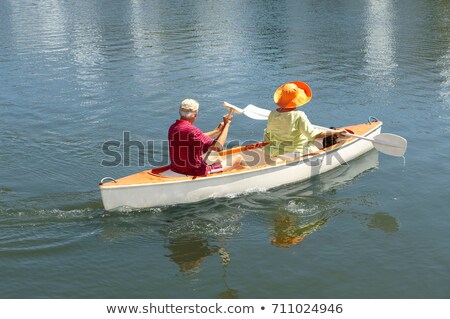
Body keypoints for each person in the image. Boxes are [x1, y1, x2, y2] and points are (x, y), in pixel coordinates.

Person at [264, 81, 346, 158]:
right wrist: (337, 131)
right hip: (297, 151)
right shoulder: (299, 115)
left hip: (276, 151)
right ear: (297, 99)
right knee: (328, 136)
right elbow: (313, 135)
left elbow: (268, 134)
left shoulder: (272, 114)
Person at [168, 98, 245, 176]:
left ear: (180, 112)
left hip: (176, 169)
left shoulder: (173, 127)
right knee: (238, 158)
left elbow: (196, 137)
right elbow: (218, 146)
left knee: (216, 157)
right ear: (195, 114)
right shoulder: (192, 130)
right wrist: (227, 124)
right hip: (196, 172)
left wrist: (217, 131)